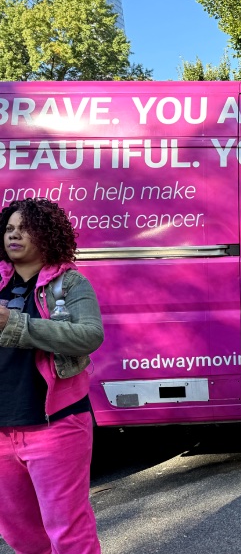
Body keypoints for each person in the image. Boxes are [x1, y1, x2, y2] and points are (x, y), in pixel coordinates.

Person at [0, 198, 104, 553]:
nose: (14, 235)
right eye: (10, 228)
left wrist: (15, 324)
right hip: (2, 430)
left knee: (68, 532)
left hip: (56, 425)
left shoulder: (69, 284)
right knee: (20, 536)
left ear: (45, 235)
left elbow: (90, 335)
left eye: (24, 228)